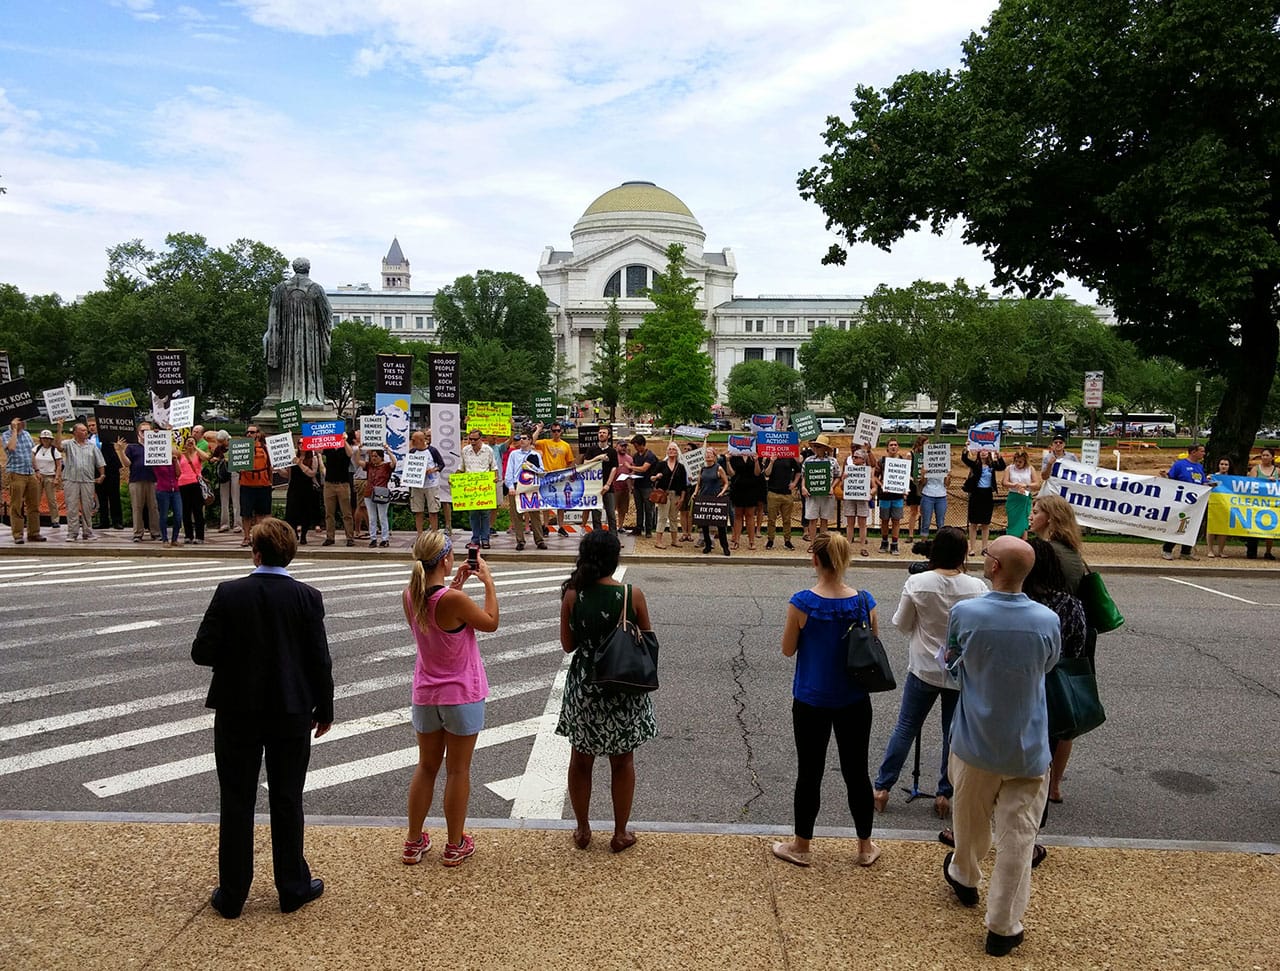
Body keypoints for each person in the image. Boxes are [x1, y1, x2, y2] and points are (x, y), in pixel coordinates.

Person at [192, 517, 334, 919]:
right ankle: (291, 886)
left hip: (238, 707)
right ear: (290, 554)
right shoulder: (308, 597)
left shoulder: (230, 593)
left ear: (255, 551)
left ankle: (233, 892)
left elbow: (202, 651)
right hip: (291, 708)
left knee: (236, 799)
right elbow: (319, 660)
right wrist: (325, 708)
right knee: (287, 798)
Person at [942, 536, 1060, 958]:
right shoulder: (1047, 620)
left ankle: (965, 873)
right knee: (1019, 836)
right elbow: (1048, 666)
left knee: (970, 817)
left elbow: (951, 661)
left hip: (976, 739)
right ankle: (1004, 925)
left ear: (993, 568)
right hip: (1028, 743)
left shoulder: (966, 613)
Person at [773, 533, 880, 868]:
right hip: (854, 698)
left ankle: (802, 844)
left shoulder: (802, 603)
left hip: (811, 697)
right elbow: (872, 644)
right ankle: (865, 845)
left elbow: (788, 649)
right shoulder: (864, 602)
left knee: (810, 771)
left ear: (815, 560)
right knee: (857, 772)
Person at [873, 527, 987, 820]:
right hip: (959, 670)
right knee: (953, 733)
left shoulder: (918, 582)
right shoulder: (976, 587)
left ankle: (883, 787)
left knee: (906, 726)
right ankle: (944, 793)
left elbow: (901, 623)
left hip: (924, 666)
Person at [555, 530, 657, 853]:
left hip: (585, 686)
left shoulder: (573, 595)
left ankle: (583, 829)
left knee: (580, 761)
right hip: (622, 686)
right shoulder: (631, 595)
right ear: (615, 560)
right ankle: (620, 832)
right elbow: (648, 641)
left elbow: (568, 645)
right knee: (622, 761)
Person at [401, 531, 498, 868]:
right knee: (458, 770)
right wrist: (487, 583)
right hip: (460, 695)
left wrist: (454, 586)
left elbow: (434, 620)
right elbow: (490, 622)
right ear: (445, 559)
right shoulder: (453, 601)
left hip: (426, 693)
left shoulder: (409, 595)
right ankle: (455, 843)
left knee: (426, 766)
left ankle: (413, 841)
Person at [1023, 537, 1089, 812]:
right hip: (1052, 688)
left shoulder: (1020, 603)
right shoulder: (1071, 605)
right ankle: (1040, 809)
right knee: (1046, 749)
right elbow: (1077, 649)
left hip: (1019, 687)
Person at [264, 257, 333, 407]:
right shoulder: (316, 289)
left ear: (294, 269)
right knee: (309, 367)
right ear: (308, 269)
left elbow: (273, 316)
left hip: (288, 339)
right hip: (310, 341)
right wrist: (324, 337)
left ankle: (289, 394)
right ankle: (310, 394)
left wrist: (271, 335)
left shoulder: (281, 288)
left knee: (290, 363)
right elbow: (327, 316)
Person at [1028, 494, 1087, 596]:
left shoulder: (1043, 550)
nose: (1030, 517)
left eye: (1035, 513)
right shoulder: (1071, 550)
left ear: (1051, 517)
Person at [57, 421, 105, 542]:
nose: (86, 432)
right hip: (71, 479)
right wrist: (59, 428)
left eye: (86, 430)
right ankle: (72, 533)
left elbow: (99, 461)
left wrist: (102, 474)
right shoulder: (68, 444)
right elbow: (58, 446)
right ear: (75, 432)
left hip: (88, 480)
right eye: (82, 430)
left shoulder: (92, 446)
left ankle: (87, 532)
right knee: (72, 507)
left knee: (87, 507)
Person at [503, 431, 547, 551]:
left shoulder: (535, 455)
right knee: (516, 515)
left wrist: (531, 466)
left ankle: (539, 540)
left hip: (531, 485)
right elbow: (509, 472)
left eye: (524, 438)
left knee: (535, 514)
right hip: (517, 485)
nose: (521, 440)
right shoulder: (514, 454)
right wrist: (511, 486)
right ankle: (520, 540)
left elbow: (542, 472)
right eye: (520, 438)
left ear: (530, 441)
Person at [1160, 443, 1205, 560]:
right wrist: (1165, 476)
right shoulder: (1180, 465)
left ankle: (1186, 551)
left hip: (1195, 502)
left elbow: (1202, 482)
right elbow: (1171, 479)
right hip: (1181, 501)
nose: (1203, 453)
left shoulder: (1199, 467)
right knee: (1178, 525)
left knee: (1192, 526)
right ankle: (1167, 549)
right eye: (1201, 451)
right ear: (1193, 452)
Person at [117, 422, 159, 543]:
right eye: (142, 431)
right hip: (136, 479)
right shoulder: (132, 447)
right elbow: (126, 464)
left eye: (148, 431)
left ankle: (155, 532)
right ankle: (138, 533)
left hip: (153, 479)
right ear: (138, 433)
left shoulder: (156, 444)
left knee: (154, 507)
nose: (145, 434)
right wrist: (120, 451)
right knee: (137, 507)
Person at [532, 422, 576, 536]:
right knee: (546, 502)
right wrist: (539, 429)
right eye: (553, 431)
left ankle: (561, 526)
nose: (556, 433)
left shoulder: (566, 445)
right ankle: (545, 526)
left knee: (561, 503)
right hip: (547, 476)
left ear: (561, 431)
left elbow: (570, 461)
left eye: (558, 430)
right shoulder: (545, 443)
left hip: (560, 477)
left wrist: (570, 475)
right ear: (551, 432)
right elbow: (532, 441)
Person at [961, 447, 1006, 556]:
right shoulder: (975, 465)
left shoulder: (992, 466)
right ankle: (972, 548)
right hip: (976, 494)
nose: (983, 453)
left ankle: (984, 548)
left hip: (987, 494)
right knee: (973, 523)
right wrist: (966, 449)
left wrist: (999, 456)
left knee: (985, 523)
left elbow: (1002, 466)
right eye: (981, 451)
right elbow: (964, 459)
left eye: (986, 450)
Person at [238, 426, 273, 549]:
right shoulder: (240, 447)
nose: (249, 434)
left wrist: (270, 483)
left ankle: (258, 538)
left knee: (261, 514)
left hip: (263, 484)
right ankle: (247, 537)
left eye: (252, 432)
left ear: (257, 434)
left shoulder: (264, 448)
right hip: (246, 485)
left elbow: (270, 466)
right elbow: (234, 463)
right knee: (246, 514)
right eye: (247, 432)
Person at [460, 429, 497, 548]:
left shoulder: (488, 450)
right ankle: (475, 539)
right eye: (471, 439)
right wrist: (454, 479)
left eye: (475, 439)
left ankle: (485, 539)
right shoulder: (465, 450)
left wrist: (495, 478)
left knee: (485, 513)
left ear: (481, 439)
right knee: (473, 514)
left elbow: (494, 467)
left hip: (484, 486)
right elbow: (461, 467)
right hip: (471, 486)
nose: (472, 441)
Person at [86, 416, 124, 531]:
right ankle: (104, 521)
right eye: (89, 426)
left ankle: (117, 521)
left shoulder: (108, 436)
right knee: (101, 497)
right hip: (97, 471)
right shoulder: (88, 440)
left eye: (93, 425)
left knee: (114, 495)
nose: (91, 428)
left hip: (111, 469)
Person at [320, 429, 356, 547]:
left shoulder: (344, 448)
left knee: (346, 513)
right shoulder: (328, 448)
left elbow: (350, 454)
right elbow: (318, 450)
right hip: (329, 484)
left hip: (343, 484)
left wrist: (343, 441)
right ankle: (330, 537)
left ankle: (350, 537)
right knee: (329, 513)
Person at [650, 442, 688, 550]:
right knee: (662, 517)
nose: (671, 451)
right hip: (664, 494)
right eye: (670, 449)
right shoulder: (661, 464)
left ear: (677, 452)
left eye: (674, 449)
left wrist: (682, 498)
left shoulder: (680, 467)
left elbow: (683, 485)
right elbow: (651, 478)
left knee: (674, 518)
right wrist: (656, 476)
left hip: (675, 494)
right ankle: (658, 541)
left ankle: (674, 540)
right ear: (667, 451)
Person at [581, 425, 619, 533]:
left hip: (608, 487)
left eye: (604, 433)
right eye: (600, 433)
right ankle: (598, 537)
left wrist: (608, 484)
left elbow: (614, 468)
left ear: (608, 436)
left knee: (611, 513)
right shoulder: (592, 449)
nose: (601, 434)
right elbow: (585, 463)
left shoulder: (612, 451)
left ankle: (613, 537)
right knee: (596, 515)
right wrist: (598, 458)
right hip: (595, 487)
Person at [801, 435, 839, 541]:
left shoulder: (833, 461)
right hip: (812, 495)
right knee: (812, 519)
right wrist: (803, 487)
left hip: (826, 494)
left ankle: (822, 544)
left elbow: (838, 476)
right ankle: (813, 544)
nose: (816, 449)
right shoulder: (808, 460)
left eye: (818, 446)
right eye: (815, 446)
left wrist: (832, 487)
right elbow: (804, 476)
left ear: (824, 448)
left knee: (824, 519)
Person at [694, 445, 730, 555]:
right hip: (704, 497)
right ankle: (708, 545)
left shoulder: (718, 468)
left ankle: (725, 546)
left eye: (711, 454)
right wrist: (695, 493)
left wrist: (722, 492)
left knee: (720, 524)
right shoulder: (702, 469)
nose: (708, 455)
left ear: (714, 457)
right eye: (707, 453)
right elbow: (698, 484)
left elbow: (726, 483)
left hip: (716, 498)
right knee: (704, 523)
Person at [407, 429, 445, 535]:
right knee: (418, 510)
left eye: (414, 440)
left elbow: (441, 464)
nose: (412, 442)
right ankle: (419, 534)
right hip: (417, 484)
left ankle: (434, 534)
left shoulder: (432, 451)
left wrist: (433, 470)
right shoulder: (412, 452)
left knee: (433, 510)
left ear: (420, 440)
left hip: (431, 484)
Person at [875, 438, 909, 554]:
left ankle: (894, 544)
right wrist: (882, 485)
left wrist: (905, 488)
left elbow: (905, 478)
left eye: (895, 445)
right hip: (885, 496)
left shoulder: (902, 462)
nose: (893, 447)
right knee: (884, 520)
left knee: (896, 521)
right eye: (891, 445)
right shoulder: (882, 461)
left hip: (898, 496)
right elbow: (875, 477)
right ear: (887, 448)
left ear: (898, 447)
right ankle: (884, 542)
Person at [358, 448, 396, 548]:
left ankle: (385, 539)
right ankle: (373, 538)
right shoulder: (369, 466)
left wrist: (388, 451)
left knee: (382, 516)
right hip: (369, 493)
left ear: (381, 457)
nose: (373, 458)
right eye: (372, 456)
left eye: (376, 456)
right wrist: (359, 449)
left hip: (381, 493)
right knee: (372, 518)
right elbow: (357, 461)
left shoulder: (386, 466)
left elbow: (394, 462)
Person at [840, 447, 875, 556]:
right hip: (850, 499)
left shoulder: (867, 472)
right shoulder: (848, 470)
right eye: (853, 456)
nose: (854, 458)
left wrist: (870, 494)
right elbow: (841, 487)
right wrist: (843, 479)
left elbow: (874, 487)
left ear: (863, 460)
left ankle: (863, 547)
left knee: (862, 524)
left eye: (857, 457)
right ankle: (848, 547)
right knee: (850, 524)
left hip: (862, 499)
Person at [285, 448, 323, 545]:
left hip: (306, 488)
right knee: (291, 513)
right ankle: (294, 533)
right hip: (294, 488)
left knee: (305, 513)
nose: (301, 445)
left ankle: (303, 536)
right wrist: (278, 469)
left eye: (303, 443)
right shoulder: (293, 458)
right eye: (299, 443)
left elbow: (312, 473)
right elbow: (288, 474)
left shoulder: (312, 458)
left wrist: (300, 464)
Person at [1001, 449, 1040, 539]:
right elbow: (1004, 482)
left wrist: (1026, 485)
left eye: (1020, 462)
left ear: (1025, 461)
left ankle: (1024, 541)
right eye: (1016, 461)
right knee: (1013, 520)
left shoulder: (1030, 469)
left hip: (1024, 497)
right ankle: (1011, 540)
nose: (1018, 463)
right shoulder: (1009, 468)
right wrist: (1014, 484)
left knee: (1023, 521)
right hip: (1013, 496)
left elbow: (1037, 484)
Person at [728, 450, 761, 551]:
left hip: (751, 489)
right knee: (738, 515)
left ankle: (751, 541)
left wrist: (756, 461)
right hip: (738, 488)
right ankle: (736, 541)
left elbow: (757, 473)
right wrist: (727, 461)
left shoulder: (753, 456)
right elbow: (731, 473)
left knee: (750, 515)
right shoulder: (735, 456)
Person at [154, 438, 183, 549]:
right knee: (164, 516)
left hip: (175, 490)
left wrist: (175, 461)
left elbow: (178, 474)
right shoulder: (158, 461)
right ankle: (165, 539)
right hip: (162, 490)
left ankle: (174, 539)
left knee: (178, 515)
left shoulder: (175, 462)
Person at [628, 434, 659, 538]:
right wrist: (631, 476)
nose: (635, 448)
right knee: (639, 508)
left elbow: (643, 468)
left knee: (648, 508)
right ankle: (639, 527)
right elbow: (636, 469)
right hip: (637, 485)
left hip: (647, 486)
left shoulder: (650, 456)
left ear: (642, 445)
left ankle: (649, 529)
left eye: (636, 445)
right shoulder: (636, 456)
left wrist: (630, 466)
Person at [32, 429, 63, 530]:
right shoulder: (36, 448)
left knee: (52, 500)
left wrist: (57, 478)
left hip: (50, 476)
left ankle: (55, 520)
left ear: (51, 440)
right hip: (38, 476)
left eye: (47, 438)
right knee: (35, 499)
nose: (45, 440)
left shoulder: (55, 451)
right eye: (43, 438)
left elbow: (59, 465)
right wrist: (36, 471)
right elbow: (32, 459)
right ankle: (34, 520)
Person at [177, 437, 206, 545]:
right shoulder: (181, 455)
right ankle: (188, 535)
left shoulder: (197, 454)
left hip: (195, 483)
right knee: (186, 511)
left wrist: (195, 448)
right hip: (182, 484)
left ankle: (199, 536)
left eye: (192, 441)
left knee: (197, 511)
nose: (190, 443)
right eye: (188, 441)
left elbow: (206, 457)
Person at [1250, 448, 1278, 560]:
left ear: (1272, 457)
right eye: (1263, 455)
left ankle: (1268, 551)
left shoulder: (1277, 471)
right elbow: (1250, 484)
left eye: (1267, 455)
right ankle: (1252, 550)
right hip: (1257, 502)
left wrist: (1275, 482)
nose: (1264, 457)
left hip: (1272, 503)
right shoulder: (1255, 469)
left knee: (1270, 527)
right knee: (1254, 525)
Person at [211, 430, 239, 535]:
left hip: (235, 472)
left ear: (227, 439)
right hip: (224, 474)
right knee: (224, 499)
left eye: (222, 441)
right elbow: (213, 457)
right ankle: (224, 523)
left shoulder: (235, 445)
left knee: (236, 499)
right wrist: (215, 459)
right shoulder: (219, 448)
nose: (221, 443)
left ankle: (237, 524)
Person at [918, 447, 951, 538]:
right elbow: (922, 483)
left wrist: (948, 476)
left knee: (940, 522)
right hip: (928, 494)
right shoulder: (926, 465)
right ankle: (923, 543)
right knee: (926, 522)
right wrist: (923, 474)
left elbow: (947, 484)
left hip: (941, 495)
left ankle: (940, 544)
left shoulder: (945, 466)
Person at [1206, 456, 1233, 558]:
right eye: (1222, 464)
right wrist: (1208, 480)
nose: (1223, 466)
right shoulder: (1212, 476)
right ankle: (1210, 550)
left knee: (1223, 529)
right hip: (1214, 504)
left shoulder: (1232, 479)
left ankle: (1221, 550)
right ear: (1218, 465)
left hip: (1226, 505)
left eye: (1226, 464)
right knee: (1211, 528)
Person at [905, 434, 928, 538]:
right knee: (913, 511)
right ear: (920, 444)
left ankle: (923, 534)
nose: (928, 445)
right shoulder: (911, 454)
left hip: (925, 484)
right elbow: (906, 470)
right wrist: (911, 478)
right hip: (914, 485)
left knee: (924, 511)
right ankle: (910, 535)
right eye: (926, 443)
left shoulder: (929, 456)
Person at [613, 440, 634, 529]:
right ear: (616, 446)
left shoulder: (629, 458)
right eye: (621, 446)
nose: (623, 448)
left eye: (625, 446)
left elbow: (632, 470)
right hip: (613, 487)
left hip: (625, 487)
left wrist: (631, 478)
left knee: (623, 509)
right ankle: (612, 526)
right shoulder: (612, 457)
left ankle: (620, 526)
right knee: (611, 509)